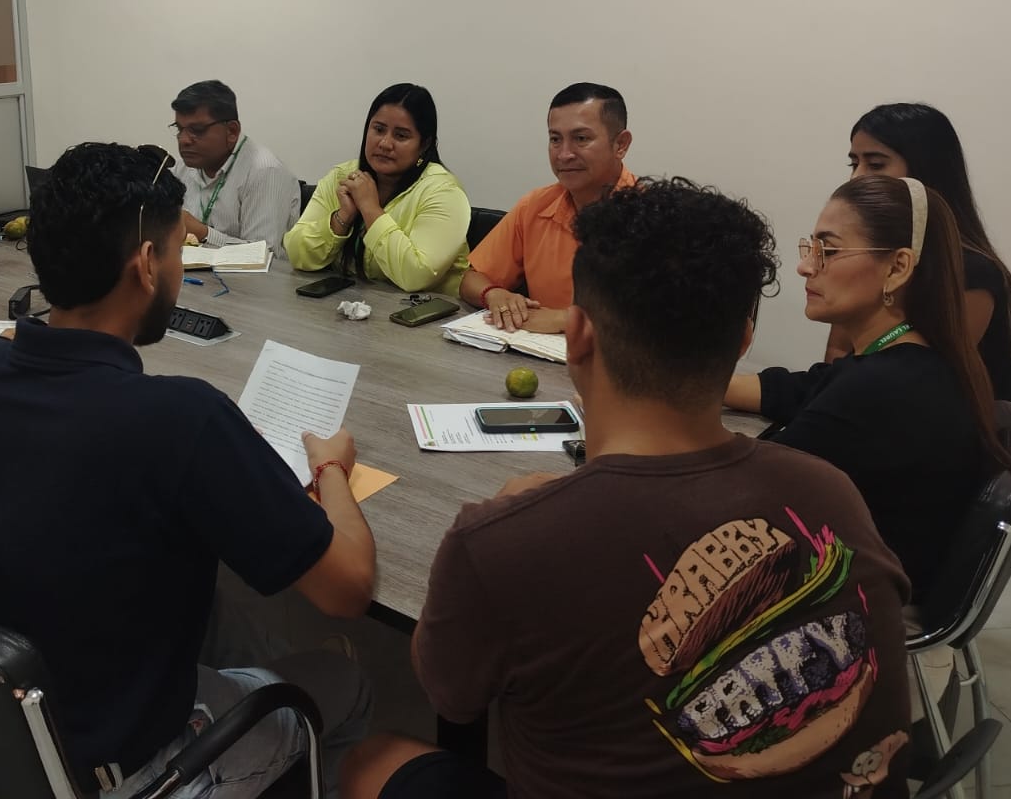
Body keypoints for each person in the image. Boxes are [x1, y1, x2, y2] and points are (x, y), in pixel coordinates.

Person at [342, 179, 913, 799]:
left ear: (576, 335)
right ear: (744, 339)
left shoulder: (498, 542)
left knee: (370, 760)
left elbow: (448, 695)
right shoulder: (832, 490)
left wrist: (499, 526)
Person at [0, 143, 374, 798]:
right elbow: (348, 589)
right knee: (348, 683)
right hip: (126, 770)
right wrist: (333, 469)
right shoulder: (183, 418)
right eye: (178, 251)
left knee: (218, 607)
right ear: (147, 264)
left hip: (0, 726)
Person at [726, 175, 1011, 600]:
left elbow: (739, 490)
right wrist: (682, 382)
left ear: (897, 268)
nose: (806, 267)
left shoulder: (884, 390)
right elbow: (793, 390)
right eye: (811, 248)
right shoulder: (909, 359)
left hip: (856, 600)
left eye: (829, 250)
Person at [837, 103, 1011, 403]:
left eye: (876, 165)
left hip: (952, 421)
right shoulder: (869, 251)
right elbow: (838, 351)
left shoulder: (972, 273)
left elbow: (922, 385)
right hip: (874, 403)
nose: (857, 178)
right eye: (854, 164)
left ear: (926, 171)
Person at [459, 82, 635, 333]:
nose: (564, 154)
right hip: (537, 352)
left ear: (621, 144)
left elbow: (670, 319)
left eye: (581, 139)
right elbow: (471, 278)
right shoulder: (535, 206)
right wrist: (494, 294)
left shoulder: (653, 215)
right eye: (555, 139)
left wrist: (566, 319)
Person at [285, 84, 469, 295]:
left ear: (424, 145)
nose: (385, 143)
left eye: (401, 136)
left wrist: (370, 208)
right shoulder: (342, 176)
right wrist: (342, 217)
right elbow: (297, 255)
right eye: (379, 130)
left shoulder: (443, 191)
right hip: (351, 305)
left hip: (425, 311)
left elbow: (416, 274)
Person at [169, 79, 300, 257]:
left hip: (255, 276)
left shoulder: (265, 171)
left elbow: (263, 255)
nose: (184, 140)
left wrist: (204, 234)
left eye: (197, 130)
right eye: (180, 129)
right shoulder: (182, 167)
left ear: (231, 131)